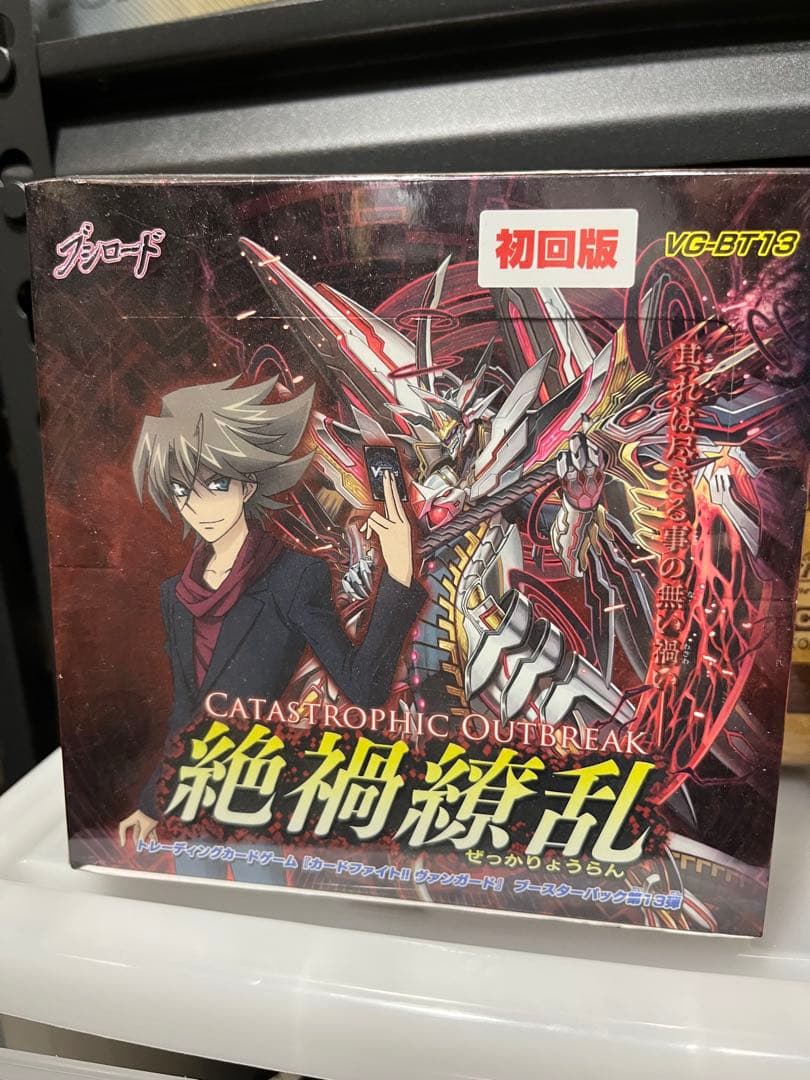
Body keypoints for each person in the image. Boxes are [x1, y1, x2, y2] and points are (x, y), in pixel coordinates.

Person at [118, 375, 425, 878]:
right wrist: (153, 801)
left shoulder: (292, 577)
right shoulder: (175, 594)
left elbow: (364, 687)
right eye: (182, 490)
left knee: (258, 904)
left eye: (217, 484)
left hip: (254, 796)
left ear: (247, 483)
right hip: (191, 797)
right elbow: (185, 711)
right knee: (199, 911)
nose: (199, 506)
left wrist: (398, 572)